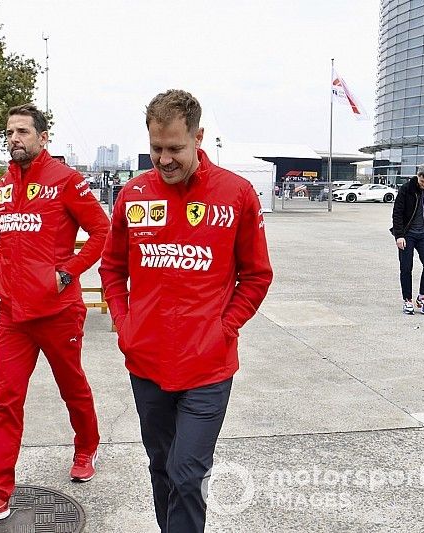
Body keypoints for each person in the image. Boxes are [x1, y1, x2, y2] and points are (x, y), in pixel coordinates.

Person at [99, 89, 273, 533]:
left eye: (175, 148)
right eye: (156, 148)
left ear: (199, 137)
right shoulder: (134, 194)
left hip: (208, 367)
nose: (164, 159)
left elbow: (256, 276)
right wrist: (125, 324)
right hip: (147, 364)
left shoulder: (236, 194)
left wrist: (224, 328)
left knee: (187, 472)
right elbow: (113, 268)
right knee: (161, 466)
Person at [0, 103, 109, 529]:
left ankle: (86, 446)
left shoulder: (67, 181)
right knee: (6, 402)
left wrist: (67, 273)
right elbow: (11, 237)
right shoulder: (5, 183)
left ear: (43, 138)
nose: (14, 138)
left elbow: (102, 230)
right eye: (9, 132)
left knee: (72, 386)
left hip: (58, 312)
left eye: (23, 131)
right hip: (13, 315)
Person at [391, 163, 424, 315]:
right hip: (407, 234)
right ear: (418, 176)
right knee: (406, 267)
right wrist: (399, 235)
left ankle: (422, 297)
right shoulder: (406, 189)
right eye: (422, 182)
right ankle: (407, 300)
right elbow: (397, 213)